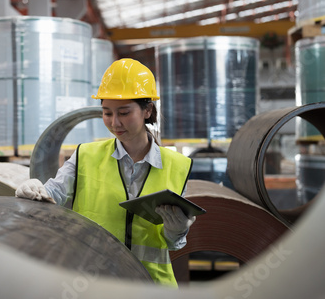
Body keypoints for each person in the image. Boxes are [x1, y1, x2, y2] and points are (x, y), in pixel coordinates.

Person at [15, 58, 195, 287]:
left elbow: (171, 243)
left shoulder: (178, 166)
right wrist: (32, 189)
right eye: (107, 113)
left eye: (124, 112)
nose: (115, 122)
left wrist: (177, 231)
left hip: (151, 287)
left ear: (147, 110)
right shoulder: (85, 156)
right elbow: (51, 195)